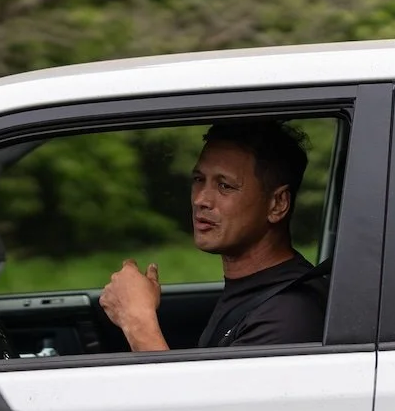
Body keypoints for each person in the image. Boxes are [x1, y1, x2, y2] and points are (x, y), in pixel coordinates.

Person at [99, 120, 327, 351]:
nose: (200, 200)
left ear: (277, 204)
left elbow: (190, 382)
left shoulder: (288, 315)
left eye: (225, 186)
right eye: (199, 180)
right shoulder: (255, 291)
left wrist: (137, 320)